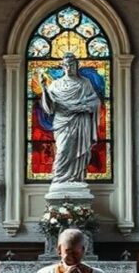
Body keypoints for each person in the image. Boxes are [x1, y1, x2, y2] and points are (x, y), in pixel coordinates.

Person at [37, 53, 101, 184]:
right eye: (66, 65)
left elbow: (95, 102)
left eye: (72, 64)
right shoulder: (55, 84)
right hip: (62, 122)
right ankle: (59, 180)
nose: (69, 67)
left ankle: (76, 178)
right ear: (62, 66)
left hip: (80, 122)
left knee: (80, 152)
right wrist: (44, 88)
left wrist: (81, 106)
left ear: (77, 65)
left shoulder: (85, 83)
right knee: (63, 149)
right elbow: (50, 107)